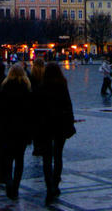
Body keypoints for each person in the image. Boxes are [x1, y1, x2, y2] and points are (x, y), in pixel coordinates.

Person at [36, 62, 76, 204]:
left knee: (46, 158)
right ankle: (56, 183)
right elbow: (68, 105)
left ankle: (49, 186)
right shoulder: (62, 86)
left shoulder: (42, 87)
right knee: (58, 155)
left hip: (46, 126)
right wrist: (70, 123)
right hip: (60, 125)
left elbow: (37, 109)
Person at [0, 63, 33, 199]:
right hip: (22, 129)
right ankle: (16, 186)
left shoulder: (4, 87)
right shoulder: (27, 89)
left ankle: (9, 183)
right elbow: (30, 112)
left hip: (8, 128)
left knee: (8, 158)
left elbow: (1, 110)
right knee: (20, 159)